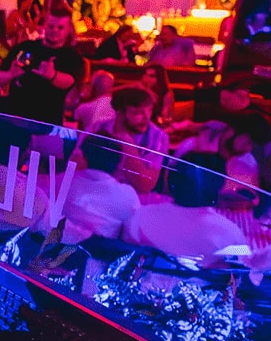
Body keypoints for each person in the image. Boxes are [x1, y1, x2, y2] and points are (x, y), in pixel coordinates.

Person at [121, 153, 250, 269]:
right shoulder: (229, 233)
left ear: (173, 180)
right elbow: (239, 278)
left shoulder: (140, 216)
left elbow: (123, 261)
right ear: (218, 187)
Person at [0, 0, 85, 125]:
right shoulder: (26, 47)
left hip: (46, 124)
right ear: (45, 25)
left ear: (68, 29)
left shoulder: (71, 56)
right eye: (51, 26)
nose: (54, 31)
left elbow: (69, 81)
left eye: (60, 28)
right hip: (14, 119)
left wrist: (52, 75)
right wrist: (10, 74)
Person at [61, 136, 140, 244]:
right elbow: (132, 237)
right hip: (101, 257)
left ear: (83, 155)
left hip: (58, 250)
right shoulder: (127, 195)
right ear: (120, 163)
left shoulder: (63, 181)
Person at [95, 85, 170, 195]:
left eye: (149, 110)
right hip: (97, 193)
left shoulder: (157, 137)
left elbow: (144, 185)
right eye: (137, 113)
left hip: (136, 201)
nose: (146, 117)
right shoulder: (97, 129)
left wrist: (127, 143)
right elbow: (76, 169)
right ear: (120, 114)